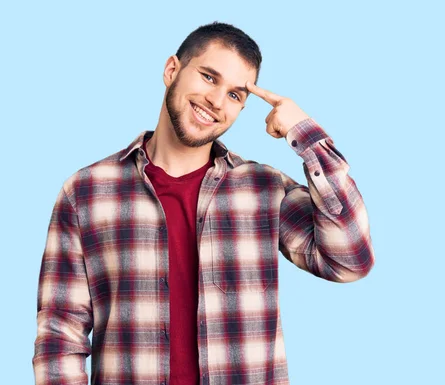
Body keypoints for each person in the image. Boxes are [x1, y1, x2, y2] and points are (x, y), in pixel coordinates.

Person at [32, 21, 375, 385]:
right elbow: (60, 333)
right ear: (171, 70)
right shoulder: (86, 192)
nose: (215, 101)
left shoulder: (264, 190)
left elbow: (349, 260)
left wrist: (306, 135)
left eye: (234, 95)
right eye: (209, 77)